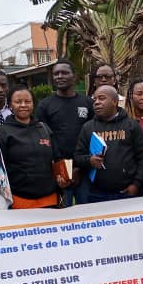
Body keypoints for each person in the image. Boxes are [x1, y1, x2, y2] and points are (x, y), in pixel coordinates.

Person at [74, 86, 143, 203]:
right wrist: (89, 160)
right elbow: (78, 156)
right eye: (94, 100)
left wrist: (136, 184)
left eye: (102, 98)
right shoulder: (87, 127)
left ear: (114, 101)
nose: (97, 102)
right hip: (97, 194)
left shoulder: (131, 125)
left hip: (127, 192)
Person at [0, 87, 68, 208]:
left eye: (27, 101)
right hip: (19, 199)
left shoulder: (44, 128)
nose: (23, 105)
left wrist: (62, 178)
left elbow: (57, 158)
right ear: (10, 105)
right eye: (18, 102)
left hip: (49, 198)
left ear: (33, 104)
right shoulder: (2, 133)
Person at [36, 60, 94, 205]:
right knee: (64, 217)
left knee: (88, 215)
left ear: (74, 77)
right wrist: (61, 170)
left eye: (64, 73)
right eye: (56, 74)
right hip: (58, 173)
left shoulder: (87, 103)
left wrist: (79, 168)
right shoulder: (44, 105)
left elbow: (93, 136)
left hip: (85, 171)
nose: (59, 76)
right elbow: (43, 138)